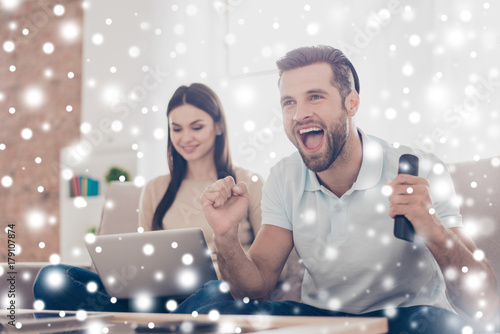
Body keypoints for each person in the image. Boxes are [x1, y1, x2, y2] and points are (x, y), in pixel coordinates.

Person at [174, 46, 500, 333]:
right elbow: (256, 290)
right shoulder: (285, 176)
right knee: (213, 304)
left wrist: (431, 227)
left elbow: (484, 302)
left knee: (442, 325)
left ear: (352, 103)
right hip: (320, 321)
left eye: (315, 96)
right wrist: (227, 236)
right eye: (289, 102)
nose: (300, 114)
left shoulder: (421, 168)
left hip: (404, 319)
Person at [33, 83, 263, 313]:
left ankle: (133, 326)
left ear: (219, 126)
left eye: (197, 127)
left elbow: (267, 270)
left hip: (210, 297)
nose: (186, 138)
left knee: (215, 291)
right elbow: (144, 257)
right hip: (156, 298)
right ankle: (144, 325)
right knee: (51, 278)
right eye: (177, 129)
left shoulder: (247, 183)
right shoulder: (156, 188)